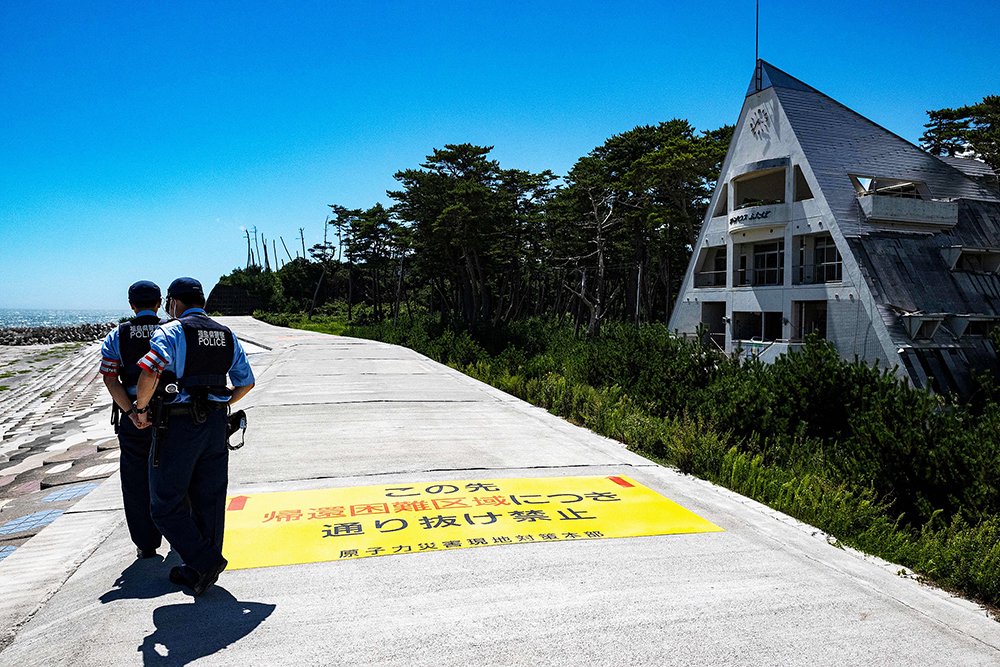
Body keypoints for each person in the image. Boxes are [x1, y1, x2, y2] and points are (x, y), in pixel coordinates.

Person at [134, 277, 254, 595]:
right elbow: (246, 382)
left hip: (178, 425)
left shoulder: (172, 330)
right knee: (210, 500)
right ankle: (200, 572)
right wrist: (221, 402)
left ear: (174, 302)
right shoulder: (226, 334)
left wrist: (141, 407)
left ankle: (204, 560)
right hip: (215, 425)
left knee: (164, 503)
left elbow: (150, 370)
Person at [98, 280, 166, 560]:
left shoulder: (119, 334)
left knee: (136, 480)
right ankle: (179, 534)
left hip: (132, 416)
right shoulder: (171, 329)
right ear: (159, 302)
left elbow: (110, 377)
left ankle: (146, 543)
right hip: (171, 413)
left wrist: (131, 411)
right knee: (177, 474)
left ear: (131, 305)